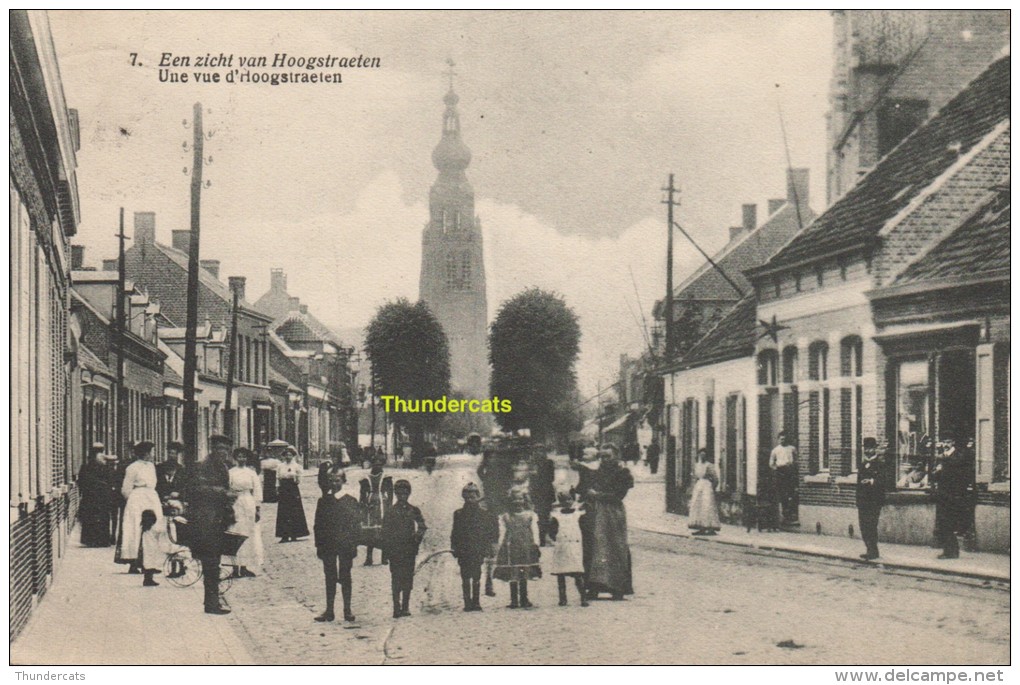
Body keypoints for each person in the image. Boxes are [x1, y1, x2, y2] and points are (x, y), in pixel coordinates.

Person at [182, 434, 236, 614]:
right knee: (211, 563)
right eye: (220, 449)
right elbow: (193, 490)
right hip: (205, 522)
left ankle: (212, 601)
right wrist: (222, 493)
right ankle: (212, 603)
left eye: (226, 450)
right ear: (213, 449)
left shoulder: (223, 467)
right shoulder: (202, 467)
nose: (223, 453)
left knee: (214, 563)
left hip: (217, 521)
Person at [313, 467, 362, 622]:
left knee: (345, 576)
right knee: (330, 576)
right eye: (331, 481)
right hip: (328, 545)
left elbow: (356, 525)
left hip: (345, 545)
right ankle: (329, 610)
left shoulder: (350, 501)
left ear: (344, 481)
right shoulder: (323, 501)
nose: (334, 484)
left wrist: (354, 544)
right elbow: (318, 525)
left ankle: (347, 610)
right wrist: (319, 545)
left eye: (337, 480)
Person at [585, 450, 634, 600]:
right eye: (602, 456)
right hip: (597, 511)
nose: (605, 459)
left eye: (608, 456)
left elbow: (619, 495)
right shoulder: (596, 472)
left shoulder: (622, 473)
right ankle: (595, 586)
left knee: (616, 546)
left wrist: (597, 495)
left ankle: (617, 586)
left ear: (616, 456)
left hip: (613, 512)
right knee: (597, 547)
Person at [116, 441, 164, 575]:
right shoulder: (132, 468)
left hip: (151, 498)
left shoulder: (151, 467)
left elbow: (153, 484)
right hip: (137, 499)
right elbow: (126, 489)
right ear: (146, 453)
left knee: (153, 528)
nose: (153, 455)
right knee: (135, 529)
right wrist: (133, 501)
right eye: (151, 452)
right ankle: (134, 563)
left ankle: (149, 563)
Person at [450, 482, 499, 612]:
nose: (470, 500)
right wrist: (454, 546)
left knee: (476, 574)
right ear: (463, 498)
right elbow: (455, 532)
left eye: (472, 497)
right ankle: (467, 602)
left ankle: (476, 602)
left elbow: (490, 532)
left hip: (477, 549)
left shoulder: (484, 514)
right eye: (467, 497)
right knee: (465, 576)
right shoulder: (459, 514)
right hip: (463, 549)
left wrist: (490, 546)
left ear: (478, 497)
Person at [382, 479, 427, 618]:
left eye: (405, 493)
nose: (402, 496)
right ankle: (396, 607)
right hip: (395, 549)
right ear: (395, 494)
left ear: (409, 494)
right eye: (399, 493)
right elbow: (385, 532)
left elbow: (422, 526)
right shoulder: (390, 511)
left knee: (408, 577)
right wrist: (387, 550)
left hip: (409, 548)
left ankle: (405, 606)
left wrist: (416, 538)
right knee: (395, 577)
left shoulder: (413, 510)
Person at [493, 485, 542, 609]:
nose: (517, 502)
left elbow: (535, 530)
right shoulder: (505, 517)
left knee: (524, 572)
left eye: (520, 499)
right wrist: (500, 546)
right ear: (510, 501)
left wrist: (536, 544)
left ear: (525, 500)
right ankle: (514, 600)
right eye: (514, 499)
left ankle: (524, 598)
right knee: (513, 573)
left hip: (526, 546)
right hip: (511, 547)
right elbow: (502, 532)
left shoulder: (531, 515)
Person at [932, 435, 969, 560]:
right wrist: (936, 472)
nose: (945, 444)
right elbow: (936, 476)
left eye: (947, 441)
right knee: (943, 523)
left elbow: (957, 471)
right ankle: (949, 550)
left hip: (954, 495)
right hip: (942, 495)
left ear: (952, 442)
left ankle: (952, 551)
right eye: (943, 441)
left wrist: (943, 462)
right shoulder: (943, 457)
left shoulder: (958, 455)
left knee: (949, 523)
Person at [228, 448, 263, 578]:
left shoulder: (251, 473)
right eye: (239, 457)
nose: (242, 459)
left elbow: (257, 490)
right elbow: (228, 488)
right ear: (235, 458)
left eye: (244, 457)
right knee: (235, 533)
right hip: (235, 503)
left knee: (247, 534)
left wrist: (257, 508)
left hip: (248, 502)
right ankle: (234, 567)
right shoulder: (230, 472)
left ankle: (244, 567)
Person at [549, 490, 588, 607]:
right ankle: (562, 598)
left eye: (569, 499)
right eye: (563, 500)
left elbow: (584, 528)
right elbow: (552, 530)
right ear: (560, 502)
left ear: (573, 500)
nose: (567, 502)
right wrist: (556, 538)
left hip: (575, 545)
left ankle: (583, 598)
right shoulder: (556, 516)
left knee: (577, 573)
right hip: (562, 546)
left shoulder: (578, 514)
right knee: (561, 574)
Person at [360, 453, 394, 565]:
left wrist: (389, 505)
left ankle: (383, 557)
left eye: (379, 463)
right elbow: (362, 495)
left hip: (378, 505)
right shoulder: (367, 478)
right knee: (372, 531)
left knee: (381, 530)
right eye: (375, 463)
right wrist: (362, 506)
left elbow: (390, 493)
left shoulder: (385, 478)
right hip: (376, 505)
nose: (377, 466)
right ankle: (370, 557)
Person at [78, 443, 113, 547]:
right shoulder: (105, 466)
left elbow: (82, 481)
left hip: (90, 496)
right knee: (102, 517)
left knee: (91, 518)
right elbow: (110, 480)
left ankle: (90, 540)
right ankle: (102, 540)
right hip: (101, 496)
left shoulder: (86, 466)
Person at [856, 437, 886, 560]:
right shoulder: (862, 464)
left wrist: (872, 481)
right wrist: (857, 500)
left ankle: (874, 551)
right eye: (866, 448)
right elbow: (858, 484)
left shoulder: (880, 464)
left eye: (870, 448)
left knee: (871, 525)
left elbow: (884, 481)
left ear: (875, 449)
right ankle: (868, 549)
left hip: (874, 501)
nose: (868, 451)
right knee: (863, 526)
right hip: (863, 501)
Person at [276, 446, 310, 542]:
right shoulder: (280, 466)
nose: (288, 457)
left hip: (292, 488)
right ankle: (284, 535)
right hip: (283, 488)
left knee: (294, 510)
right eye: (286, 455)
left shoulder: (296, 466)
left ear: (293, 456)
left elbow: (299, 477)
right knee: (283, 511)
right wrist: (278, 488)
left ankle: (295, 534)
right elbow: (278, 477)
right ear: (284, 456)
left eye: (290, 455)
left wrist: (295, 482)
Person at [769, 431, 799, 525]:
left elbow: (797, 459)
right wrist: (777, 468)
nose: (783, 440)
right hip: (781, 472)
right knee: (783, 493)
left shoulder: (792, 449)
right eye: (781, 439)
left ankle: (792, 513)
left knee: (792, 491)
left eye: (785, 439)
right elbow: (771, 463)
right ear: (778, 440)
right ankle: (785, 514)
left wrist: (793, 465)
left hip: (790, 471)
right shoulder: (775, 450)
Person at [688, 449, 721, 535]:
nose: (702, 457)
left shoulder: (709, 465)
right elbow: (695, 477)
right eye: (700, 455)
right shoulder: (697, 465)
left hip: (707, 487)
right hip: (699, 486)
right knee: (698, 506)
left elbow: (716, 479)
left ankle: (710, 527)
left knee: (707, 506)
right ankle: (700, 527)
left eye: (704, 455)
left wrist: (712, 488)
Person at [531, 451, 556, 546]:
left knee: (541, 515)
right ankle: (543, 537)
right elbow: (551, 478)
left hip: (541, 492)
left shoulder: (534, 464)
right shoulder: (548, 463)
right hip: (544, 492)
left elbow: (533, 478)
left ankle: (543, 538)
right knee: (544, 515)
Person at [139, 509, 165, 587]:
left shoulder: (144, 528)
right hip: (152, 547)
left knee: (147, 563)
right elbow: (161, 531)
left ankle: (147, 579)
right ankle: (149, 580)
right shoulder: (154, 528)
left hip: (146, 547)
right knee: (151, 562)